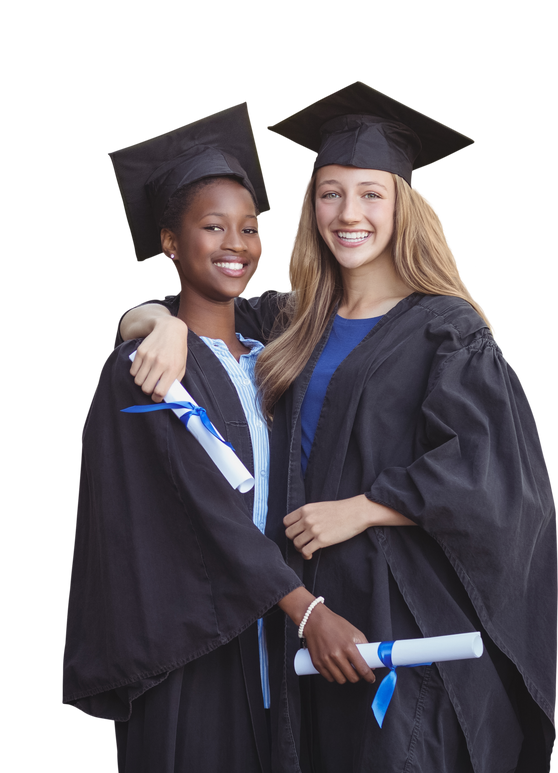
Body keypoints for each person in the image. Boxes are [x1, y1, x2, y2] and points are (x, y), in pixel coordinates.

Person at [116, 80, 556, 772]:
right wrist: (156, 324)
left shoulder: (446, 329)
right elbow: (192, 301)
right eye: (331, 193)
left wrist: (365, 506)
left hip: (401, 609)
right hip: (308, 610)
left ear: (402, 207)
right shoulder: (292, 321)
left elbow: (496, 470)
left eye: (371, 194)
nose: (348, 213)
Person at [60, 101, 378, 773]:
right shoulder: (141, 373)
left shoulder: (274, 356)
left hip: (277, 642)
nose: (237, 243)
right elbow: (200, 509)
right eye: (213, 227)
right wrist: (308, 608)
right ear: (170, 242)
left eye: (249, 227)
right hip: (193, 643)